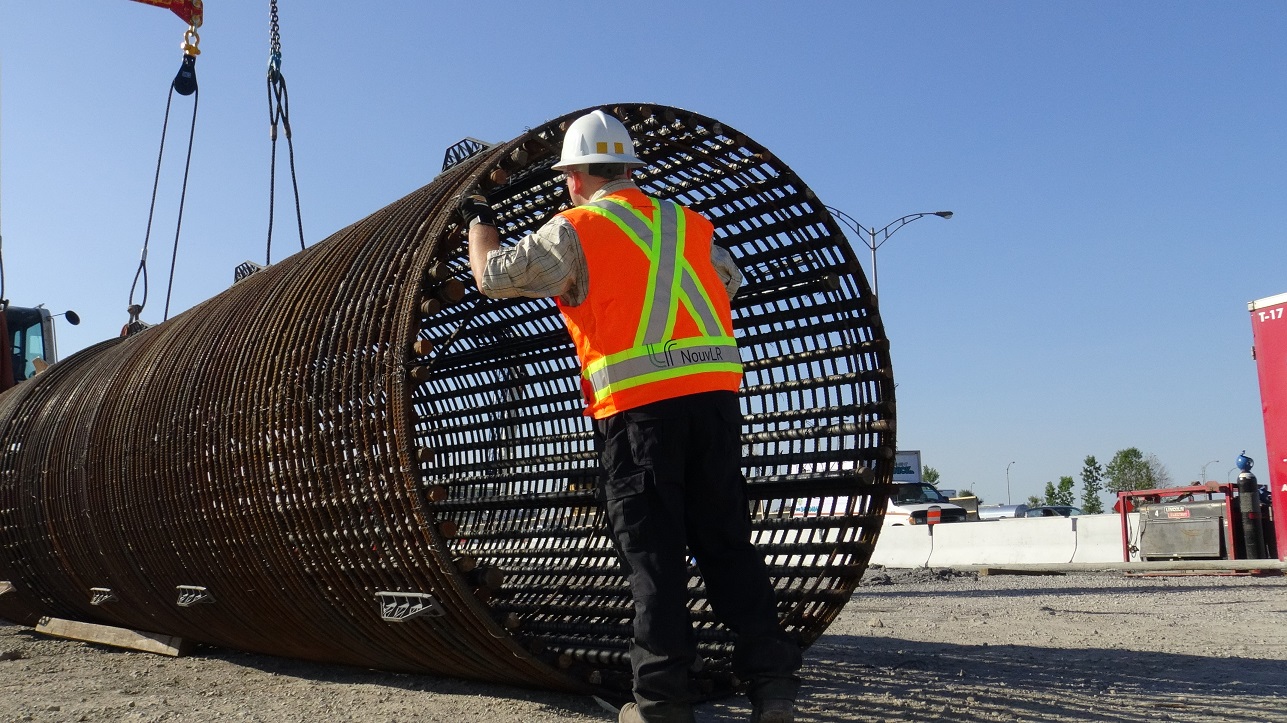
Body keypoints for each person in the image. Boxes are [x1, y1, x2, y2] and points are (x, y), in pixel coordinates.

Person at [461, 110, 801, 723]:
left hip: (640, 415)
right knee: (727, 544)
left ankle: (662, 704)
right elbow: (729, 281)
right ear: (627, 169)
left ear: (576, 177)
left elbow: (493, 278)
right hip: (715, 405)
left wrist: (479, 220)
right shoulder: (689, 224)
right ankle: (772, 685)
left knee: (654, 557)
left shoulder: (575, 230)